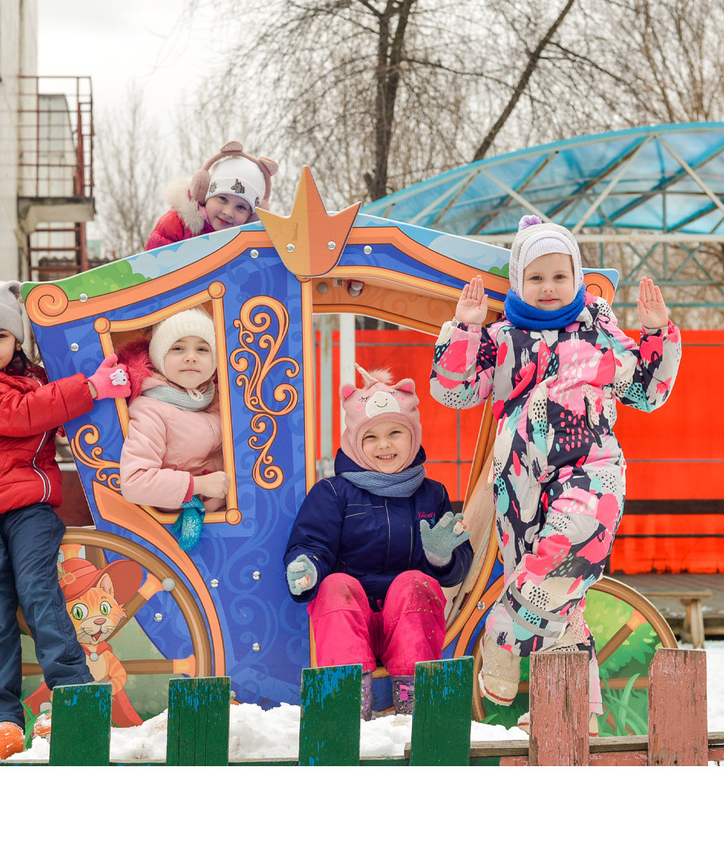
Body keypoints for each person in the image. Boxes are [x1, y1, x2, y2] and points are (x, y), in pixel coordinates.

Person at [431, 217, 679, 707]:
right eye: (536, 278)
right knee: (560, 601)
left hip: (593, 469)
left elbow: (648, 391)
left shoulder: (600, 336)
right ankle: (571, 716)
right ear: (519, 282)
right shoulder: (503, 341)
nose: (548, 288)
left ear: (577, 279)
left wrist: (657, 333)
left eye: (559, 277)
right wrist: (466, 328)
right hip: (520, 478)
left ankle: (502, 636)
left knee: (573, 547)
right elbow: (453, 390)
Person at [0, 278, 134, 758]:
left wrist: (106, 387)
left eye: (1, 336)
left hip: (28, 509)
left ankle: (71, 698)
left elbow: (47, 410)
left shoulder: (37, 379)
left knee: (41, 594)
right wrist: (90, 387)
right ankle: (1, 716)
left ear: (15, 339)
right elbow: (20, 415)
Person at [282, 370, 473, 712]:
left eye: (395, 433)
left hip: (408, 622)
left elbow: (456, 569)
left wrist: (442, 556)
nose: (384, 445)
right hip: (350, 620)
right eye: (371, 437)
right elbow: (312, 542)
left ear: (413, 436)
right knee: (335, 585)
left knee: (415, 582)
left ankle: (415, 697)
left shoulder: (433, 494)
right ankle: (346, 695)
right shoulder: (333, 493)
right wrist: (306, 566)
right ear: (355, 442)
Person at [111, 309, 229, 524]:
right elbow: (135, 482)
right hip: (179, 522)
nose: (191, 357)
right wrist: (198, 485)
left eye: (202, 349)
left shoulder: (222, 400)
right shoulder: (150, 409)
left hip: (229, 514)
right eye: (178, 348)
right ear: (159, 357)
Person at [144, 141, 275, 251]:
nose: (228, 212)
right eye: (223, 199)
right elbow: (152, 271)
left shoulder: (246, 247)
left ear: (252, 217)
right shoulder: (174, 224)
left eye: (241, 207)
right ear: (205, 193)